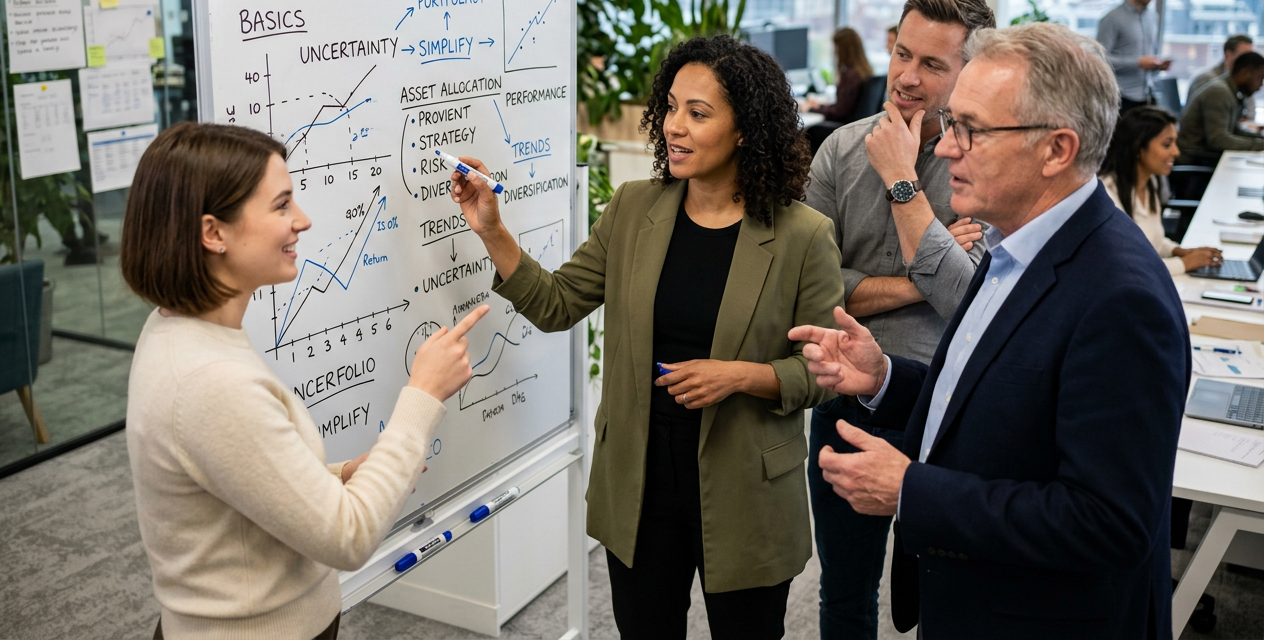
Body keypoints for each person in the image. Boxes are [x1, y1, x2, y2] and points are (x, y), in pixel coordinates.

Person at [793, 21, 1190, 639]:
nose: (945, 149)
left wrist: (913, 492)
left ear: (1056, 150)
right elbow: (991, 401)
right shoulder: (1014, 247)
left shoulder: (1121, 299)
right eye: (951, 124)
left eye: (970, 130)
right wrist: (885, 377)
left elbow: (1110, 523)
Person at [449, 35, 844, 640]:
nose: (674, 126)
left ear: (745, 130)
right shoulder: (634, 208)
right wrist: (491, 229)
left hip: (746, 485)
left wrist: (741, 376)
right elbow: (557, 304)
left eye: (698, 113)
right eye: (671, 107)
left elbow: (825, 370)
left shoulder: (803, 235)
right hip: (639, 478)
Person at [121, 122, 487, 640]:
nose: (303, 220)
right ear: (213, 233)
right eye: (281, 205)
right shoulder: (210, 381)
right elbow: (349, 537)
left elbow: (239, 475)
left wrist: (335, 477)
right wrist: (422, 395)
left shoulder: (179, 331)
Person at [803, 0, 992, 640]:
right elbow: (813, 290)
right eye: (903, 53)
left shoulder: (984, 165)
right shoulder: (838, 149)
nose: (908, 77)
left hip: (945, 407)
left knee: (944, 593)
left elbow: (971, 304)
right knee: (844, 588)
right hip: (846, 393)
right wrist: (921, 277)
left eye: (933, 64)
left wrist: (900, 177)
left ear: (970, 71)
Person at [1100, 106, 1223, 274]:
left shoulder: (1150, 181)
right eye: (1167, 144)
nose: (1176, 152)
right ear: (1139, 148)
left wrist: (1178, 251)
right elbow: (1127, 265)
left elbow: (1153, 242)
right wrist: (1185, 263)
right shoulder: (1107, 196)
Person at [1097, 0, 1170, 113]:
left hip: (1147, 95)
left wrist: (1157, 65)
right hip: (1121, 98)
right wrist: (1138, 63)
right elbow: (1100, 60)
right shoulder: (1112, 18)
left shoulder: (1152, 17)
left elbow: (1151, 52)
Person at [1177, 50, 1264, 165]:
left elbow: (1234, 130)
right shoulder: (1219, 92)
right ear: (1245, 73)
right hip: (1194, 160)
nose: (1261, 85)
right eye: (1260, 78)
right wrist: (1260, 145)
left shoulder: (1229, 91)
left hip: (1204, 156)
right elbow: (1218, 140)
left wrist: (1260, 139)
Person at [804, 26, 875, 152]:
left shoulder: (849, 75)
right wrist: (820, 106)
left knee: (808, 131)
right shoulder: (864, 72)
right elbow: (844, 106)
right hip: (857, 129)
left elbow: (840, 112)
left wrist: (812, 108)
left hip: (845, 129)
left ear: (842, 50)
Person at [1186, 34, 1256, 123]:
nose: (1249, 61)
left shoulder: (1243, 80)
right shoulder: (1206, 79)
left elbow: (1250, 114)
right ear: (1228, 54)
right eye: (1244, 56)